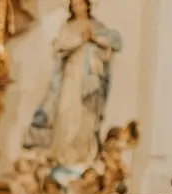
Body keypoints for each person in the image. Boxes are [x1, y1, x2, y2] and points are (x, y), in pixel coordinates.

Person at [22, 0, 122, 166]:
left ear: (87, 5)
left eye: (80, 4)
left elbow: (112, 46)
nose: (78, 7)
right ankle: (63, 156)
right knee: (66, 112)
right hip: (71, 76)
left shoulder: (97, 26)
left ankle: (83, 157)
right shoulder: (68, 27)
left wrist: (95, 39)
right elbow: (59, 47)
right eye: (74, 5)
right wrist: (80, 40)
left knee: (86, 117)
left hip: (90, 79)